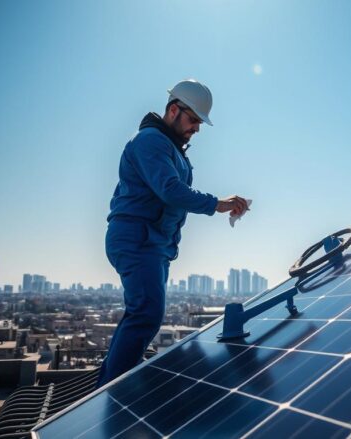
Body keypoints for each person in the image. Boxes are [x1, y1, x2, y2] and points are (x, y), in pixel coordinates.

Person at [97, 79, 248, 387]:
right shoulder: (150, 141)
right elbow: (170, 190)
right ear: (173, 110)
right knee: (147, 313)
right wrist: (217, 204)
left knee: (140, 313)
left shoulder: (172, 149)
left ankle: (110, 384)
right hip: (137, 239)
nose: (197, 128)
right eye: (193, 120)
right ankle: (113, 394)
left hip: (153, 243)